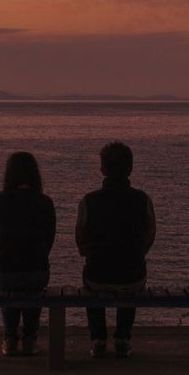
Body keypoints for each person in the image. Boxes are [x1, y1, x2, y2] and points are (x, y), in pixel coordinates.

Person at [75, 140, 155, 359]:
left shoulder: (89, 201)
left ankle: (98, 338)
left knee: (91, 281)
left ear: (102, 169)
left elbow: (80, 239)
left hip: (97, 275)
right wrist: (134, 252)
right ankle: (122, 337)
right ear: (130, 168)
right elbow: (150, 236)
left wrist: (91, 253)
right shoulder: (142, 200)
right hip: (132, 274)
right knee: (131, 279)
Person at [0, 150, 55, 357]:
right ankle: (30, 339)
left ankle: (10, 337)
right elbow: (49, 239)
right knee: (33, 288)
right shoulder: (44, 202)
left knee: (8, 288)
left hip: (5, 271)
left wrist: (5, 252)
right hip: (37, 271)